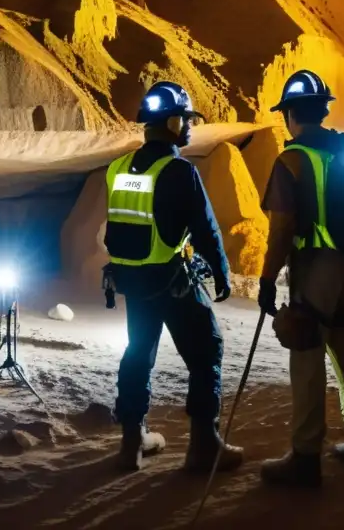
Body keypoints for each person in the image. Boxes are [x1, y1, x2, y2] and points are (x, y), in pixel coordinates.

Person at [256, 70, 344, 487]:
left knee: (307, 355)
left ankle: (305, 456)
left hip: (315, 266)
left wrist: (266, 279)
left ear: (290, 114)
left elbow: (281, 228)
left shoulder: (291, 160)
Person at [104, 81, 243, 473]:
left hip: (134, 280)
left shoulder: (117, 170)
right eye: (185, 119)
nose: (189, 127)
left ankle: (132, 443)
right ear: (171, 121)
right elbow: (205, 228)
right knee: (206, 352)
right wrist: (221, 272)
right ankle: (204, 445)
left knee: (138, 354)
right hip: (173, 282)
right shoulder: (179, 170)